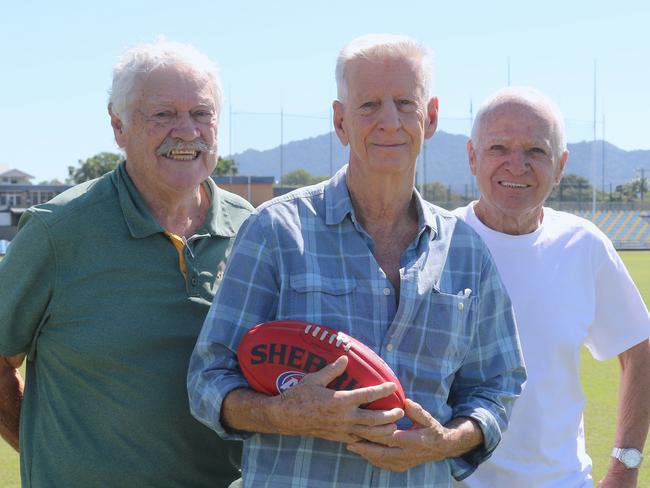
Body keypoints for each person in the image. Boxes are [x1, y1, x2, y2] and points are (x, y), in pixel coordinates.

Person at [187, 34, 526, 488]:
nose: (390, 121)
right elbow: (208, 380)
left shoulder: (466, 252)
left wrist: (443, 442)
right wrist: (288, 415)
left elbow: (497, 386)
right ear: (340, 121)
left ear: (431, 118)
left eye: (406, 103)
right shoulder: (275, 232)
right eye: (369, 105)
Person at [0, 40, 252, 487]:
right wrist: (47, 449)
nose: (187, 131)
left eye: (201, 113)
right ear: (118, 126)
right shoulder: (58, 231)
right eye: (163, 114)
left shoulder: (255, 231)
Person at [454, 86, 650, 488]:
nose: (517, 164)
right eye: (498, 148)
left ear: (560, 166)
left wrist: (624, 466)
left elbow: (640, 350)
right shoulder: (437, 241)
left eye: (536, 151)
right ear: (472, 157)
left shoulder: (584, 245)